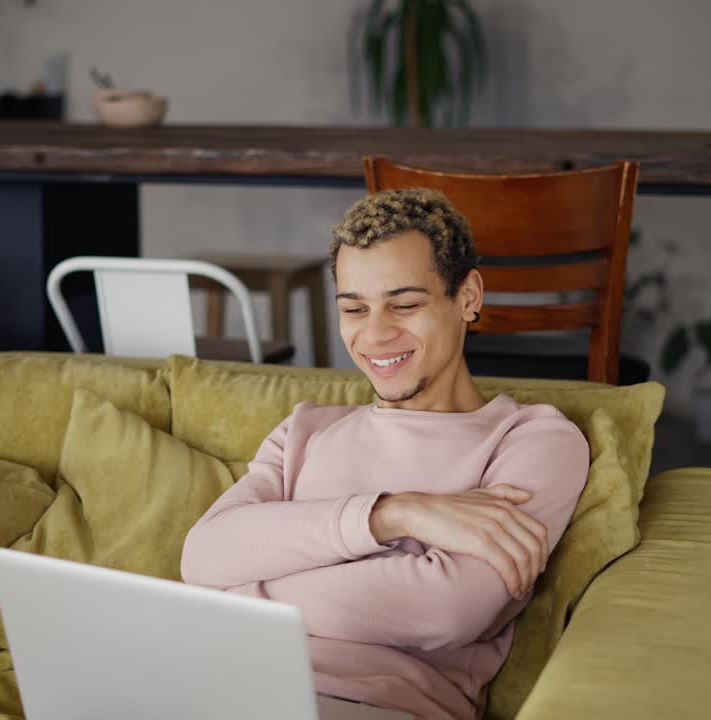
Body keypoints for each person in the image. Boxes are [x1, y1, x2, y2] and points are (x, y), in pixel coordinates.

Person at [180, 188, 590, 720]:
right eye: (354, 308)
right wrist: (392, 513)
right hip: (211, 682)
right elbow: (202, 557)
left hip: (364, 705)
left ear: (468, 297)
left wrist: (246, 587)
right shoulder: (304, 430)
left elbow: (447, 608)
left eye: (405, 304)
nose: (375, 334)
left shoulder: (532, 441)